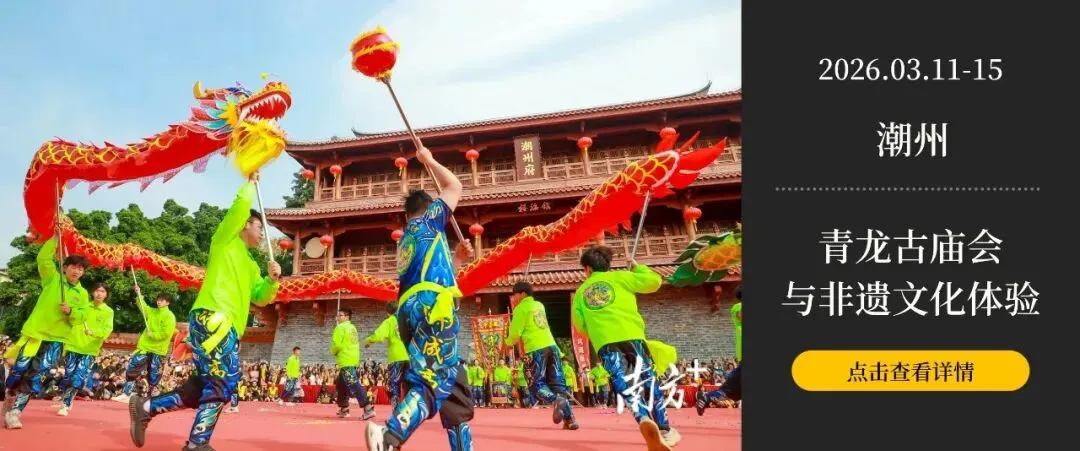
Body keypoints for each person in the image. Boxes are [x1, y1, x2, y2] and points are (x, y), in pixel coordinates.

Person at [127, 173, 282, 450]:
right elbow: (239, 208)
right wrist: (250, 182)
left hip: (227, 327)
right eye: (260, 226)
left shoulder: (251, 265)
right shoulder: (225, 240)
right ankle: (197, 443)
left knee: (204, 384)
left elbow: (261, 297)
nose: (262, 234)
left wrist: (271, 281)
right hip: (213, 318)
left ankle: (147, 408)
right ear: (245, 224)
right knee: (223, 382)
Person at [365, 146, 474, 451]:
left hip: (412, 310)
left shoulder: (405, 242)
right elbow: (454, 186)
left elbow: (437, 277)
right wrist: (430, 160)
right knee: (432, 379)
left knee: (452, 384)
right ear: (429, 207)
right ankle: (390, 435)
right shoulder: (429, 222)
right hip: (432, 308)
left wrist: (456, 259)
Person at [571, 245, 681, 451]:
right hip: (633, 336)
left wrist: (597, 331)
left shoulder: (580, 292)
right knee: (648, 379)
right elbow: (654, 282)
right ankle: (664, 428)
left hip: (605, 342)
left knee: (622, 380)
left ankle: (642, 416)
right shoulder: (622, 277)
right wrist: (638, 268)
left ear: (587, 269)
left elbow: (580, 326)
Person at [3, 237, 90, 429]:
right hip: (35, 334)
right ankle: (10, 394)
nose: (76, 271)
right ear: (65, 267)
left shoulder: (83, 294)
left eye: (80, 268)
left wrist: (71, 312)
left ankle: (15, 412)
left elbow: (82, 316)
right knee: (19, 370)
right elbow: (43, 259)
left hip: (56, 340)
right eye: (73, 267)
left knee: (37, 375)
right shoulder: (52, 279)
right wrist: (55, 240)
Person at [506, 281, 578, 429]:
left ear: (522, 294)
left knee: (535, 384)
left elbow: (515, 334)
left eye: (515, 294)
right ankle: (570, 419)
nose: (514, 298)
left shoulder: (520, 309)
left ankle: (555, 400)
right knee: (558, 385)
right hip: (552, 347)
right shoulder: (539, 305)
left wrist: (506, 344)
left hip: (535, 349)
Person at [58, 283, 114, 416]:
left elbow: (107, 330)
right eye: (97, 290)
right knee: (69, 375)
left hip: (89, 350)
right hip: (73, 345)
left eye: (103, 291)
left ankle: (66, 403)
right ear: (92, 293)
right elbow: (71, 319)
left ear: (106, 295)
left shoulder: (108, 311)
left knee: (78, 376)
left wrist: (94, 332)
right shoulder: (83, 306)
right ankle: (66, 397)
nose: (99, 293)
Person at [114, 288, 176, 403]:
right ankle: (126, 394)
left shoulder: (170, 316)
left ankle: (150, 398)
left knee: (154, 374)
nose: (159, 302)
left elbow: (167, 333)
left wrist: (154, 335)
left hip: (158, 350)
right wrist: (139, 294)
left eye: (162, 300)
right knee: (132, 368)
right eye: (158, 299)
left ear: (168, 302)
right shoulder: (152, 311)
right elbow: (143, 306)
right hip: (145, 347)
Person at [697, 285, 742, 415]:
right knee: (730, 390)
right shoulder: (738, 309)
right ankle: (707, 397)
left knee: (730, 391)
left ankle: (707, 398)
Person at [364, 302, 408, 411]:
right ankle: (410, 409)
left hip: (396, 356)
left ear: (388, 312)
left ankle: (397, 410)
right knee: (409, 384)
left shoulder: (389, 321)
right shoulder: (407, 320)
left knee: (393, 384)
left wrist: (369, 341)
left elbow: (379, 335)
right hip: (411, 356)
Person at [332, 308, 374, 420]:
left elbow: (336, 345)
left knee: (353, 384)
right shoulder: (353, 328)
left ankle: (368, 408)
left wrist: (333, 352)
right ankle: (344, 408)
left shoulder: (340, 327)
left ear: (347, 317)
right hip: (353, 359)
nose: (337, 318)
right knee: (341, 384)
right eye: (338, 315)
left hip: (346, 359)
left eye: (340, 315)